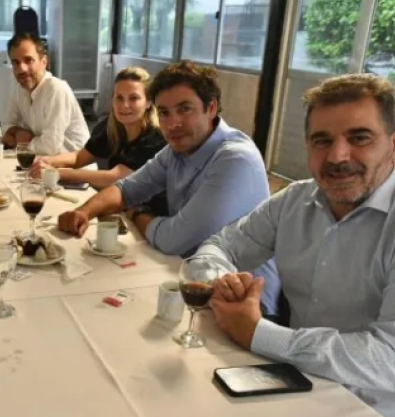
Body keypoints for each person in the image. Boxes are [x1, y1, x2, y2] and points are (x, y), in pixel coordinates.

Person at [196, 74, 395, 417]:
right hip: (300, 384)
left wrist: (259, 332)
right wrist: (223, 282)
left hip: (386, 414)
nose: (337, 156)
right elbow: (219, 245)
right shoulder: (294, 200)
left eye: (359, 138)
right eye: (322, 141)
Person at [57, 61, 280, 315]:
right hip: (190, 278)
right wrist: (83, 212)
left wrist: (138, 213)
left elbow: (174, 239)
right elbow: (126, 188)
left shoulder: (235, 159)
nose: (173, 123)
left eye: (185, 109)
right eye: (164, 113)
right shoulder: (178, 148)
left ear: (211, 108)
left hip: (247, 305)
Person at [29, 67, 167, 204]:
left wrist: (58, 173)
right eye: (119, 98)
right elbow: (79, 157)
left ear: (149, 102)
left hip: (150, 210)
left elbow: (116, 177)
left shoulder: (155, 137)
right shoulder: (112, 126)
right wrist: (46, 162)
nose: (125, 105)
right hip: (124, 203)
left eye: (134, 98)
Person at [1, 32, 90, 155]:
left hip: (75, 164)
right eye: (16, 62)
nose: (22, 69)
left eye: (29, 60)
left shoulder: (56, 89)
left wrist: (21, 142)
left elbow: (49, 147)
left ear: (44, 62)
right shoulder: (19, 89)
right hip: (43, 161)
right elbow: (6, 125)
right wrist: (17, 132)